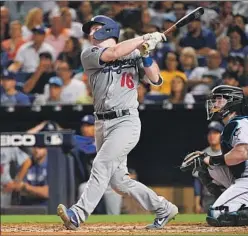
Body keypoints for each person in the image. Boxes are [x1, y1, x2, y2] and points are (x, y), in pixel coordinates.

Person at [57, 15, 178, 230]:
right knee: (119, 182)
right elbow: (113, 53)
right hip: (102, 124)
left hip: (126, 121)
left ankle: (77, 213)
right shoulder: (89, 53)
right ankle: (163, 208)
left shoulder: (134, 52)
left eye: (95, 28)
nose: (91, 33)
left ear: (108, 29)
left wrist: (146, 54)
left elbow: (156, 80)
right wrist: (144, 38)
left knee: (101, 164)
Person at [183, 85, 248, 226]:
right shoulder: (231, 125)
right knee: (203, 165)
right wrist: (204, 159)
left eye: (219, 100)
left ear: (232, 102)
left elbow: (242, 154)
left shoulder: (240, 123)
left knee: (217, 215)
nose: (215, 103)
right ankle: (232, 201)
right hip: (246, 178)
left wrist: (211, 159)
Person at [193, 121, 223, 214]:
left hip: (225, 195)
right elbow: (197, 181)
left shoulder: (229, 153)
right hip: (208, 198)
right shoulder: (202, 154)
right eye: (209, 133)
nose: (211, 135)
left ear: (222, 135)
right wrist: (197, 203)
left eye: (215, 133)